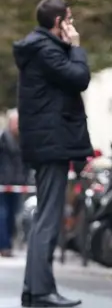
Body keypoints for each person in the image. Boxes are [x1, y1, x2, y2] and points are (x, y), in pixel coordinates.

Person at [13, 0, 93, 308]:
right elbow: (79, 78)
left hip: (48, 142)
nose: (72, 26)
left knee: (45, 216)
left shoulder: (39, 48)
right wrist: (75, 46)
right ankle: (41, 291)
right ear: (58, 22)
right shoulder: (46, 49)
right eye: (69, 19)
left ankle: (35, 290)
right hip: (52, 144)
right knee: (48, 217)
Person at [0, 109, 31, 257]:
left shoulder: (22, 139)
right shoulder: (3, 138)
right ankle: (4, 245)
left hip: (17, 183)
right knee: (3, 213)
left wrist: (24, 179)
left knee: (12, 215)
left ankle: (7, 243)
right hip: (3, 182)